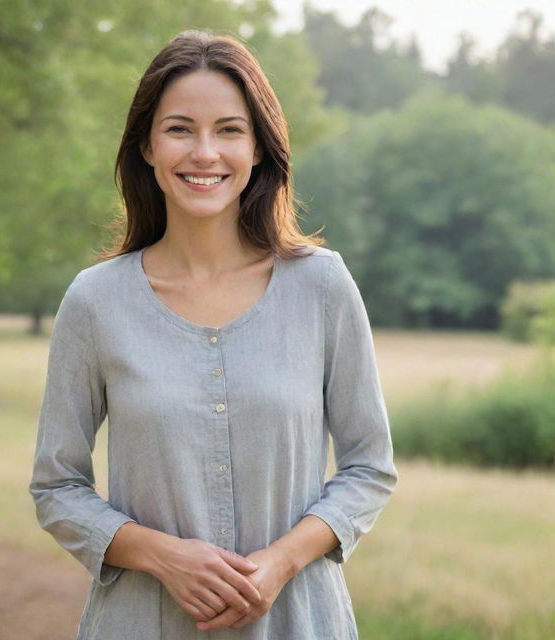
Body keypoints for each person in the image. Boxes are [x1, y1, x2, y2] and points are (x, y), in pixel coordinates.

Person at [29, 29, 398, 639]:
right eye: (179, 128)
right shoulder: (95, 302)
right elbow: (56, 486)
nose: (205, 152)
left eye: (229, 129)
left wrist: (280, 563)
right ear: (147, 146)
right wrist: (163, 557)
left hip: (298, 621)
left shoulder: (322, 286)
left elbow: (369, 467)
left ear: (258, 148)